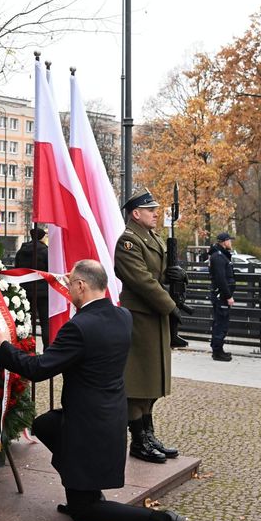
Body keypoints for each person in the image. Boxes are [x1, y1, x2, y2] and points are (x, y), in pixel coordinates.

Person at [0, 259, 186, 521]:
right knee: (44, 424)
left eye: (70, 284)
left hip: (86, 427)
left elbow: (38, 369)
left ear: (81, 286)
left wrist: (4, 345)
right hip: (109, 416)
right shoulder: (122, 316)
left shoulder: (79, 327)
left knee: (85, 512)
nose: (68, 289)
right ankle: (80, 482)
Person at [114, 188, 184, 464]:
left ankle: (149, 433)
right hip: (141, 316)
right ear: (135, 213)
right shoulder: (128, 242)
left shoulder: (151, 237)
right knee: (137, 381)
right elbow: (142, 280)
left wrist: (176, 275)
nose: (156, 213)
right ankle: (139, 440)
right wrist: (171, 306)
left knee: (153, 379)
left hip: (154, 316)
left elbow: (160, 272)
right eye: (150, 209)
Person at [15, 226, 50, 348]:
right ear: (41, 237)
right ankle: (47, 349)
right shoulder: (46, 251)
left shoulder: (21, 251)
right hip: (43, 293)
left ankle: (27, 348)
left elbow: (16, 269)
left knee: (25, 322)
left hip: (25, 292)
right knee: (46, 323)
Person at [208, 232, 236, 361]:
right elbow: (221, 279)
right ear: (224, 242)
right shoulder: (219, 257)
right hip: (221, 296)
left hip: (220, 295)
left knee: (219, 322)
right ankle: (217, 352)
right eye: (230, 240)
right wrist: (228, 296)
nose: (231, 243)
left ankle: (218, 349)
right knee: (221, 324)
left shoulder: (219, 255)